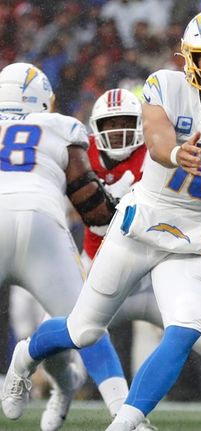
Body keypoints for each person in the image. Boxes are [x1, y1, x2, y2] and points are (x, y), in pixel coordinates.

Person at [2, 9, 201, 430]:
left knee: (186, 330)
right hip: (141, 223)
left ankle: (124, 424)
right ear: (189, 56)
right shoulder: (165, 84)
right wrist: (174, 153)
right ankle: (26, 354)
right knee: (83, 330)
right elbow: (155, 135)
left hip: (192, 238)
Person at [0, 63, 128, 430]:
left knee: (72, 324)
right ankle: (123, 413)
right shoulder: (59, 126)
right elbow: (87, 199)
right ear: (43, 99)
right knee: (86, 326)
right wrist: (112, 209)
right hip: (43, 226)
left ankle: (61, 383)